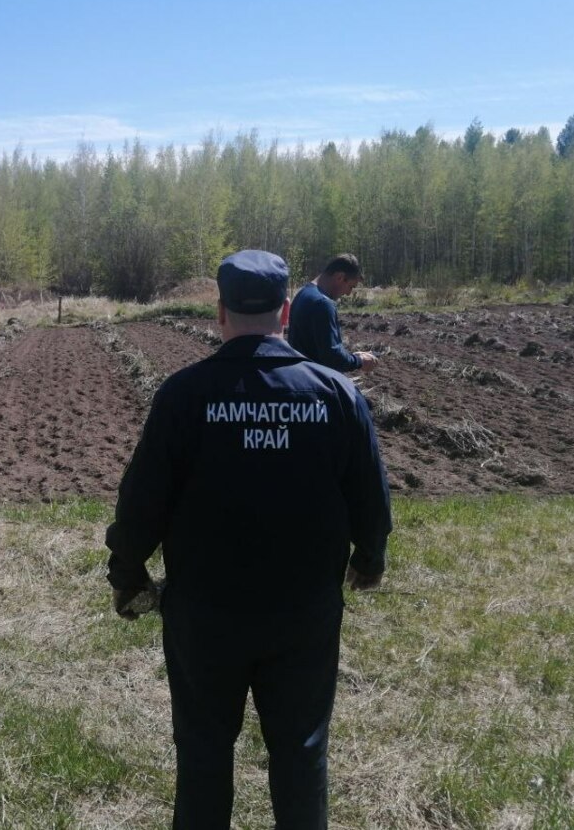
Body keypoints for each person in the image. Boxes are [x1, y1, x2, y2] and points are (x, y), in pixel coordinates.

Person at [106, 250, 393, 829]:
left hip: (205, 613)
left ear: (220, 312)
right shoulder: (335, 393)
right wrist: (369, 557)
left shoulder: (184, 396)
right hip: (304, 611)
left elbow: (143, 502)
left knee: (204, 749)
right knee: (302, 748)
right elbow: (371, 495)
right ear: (286, 312)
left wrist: (128, 572)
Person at [288, 253, 378, 373]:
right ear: (340, 277)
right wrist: (359, 361)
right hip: (317, 381)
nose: (348, 293)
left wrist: (353, 356)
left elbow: (317, 347)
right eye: (351, 287)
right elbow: (332, 357)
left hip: (300, 374)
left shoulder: (303, 294)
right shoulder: (323, 303)